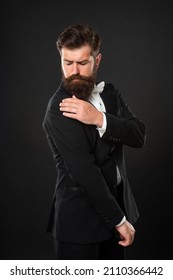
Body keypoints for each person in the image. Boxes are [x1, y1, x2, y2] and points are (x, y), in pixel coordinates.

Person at [42, 23, 146, 260]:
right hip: (79, 224)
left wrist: (99, 118)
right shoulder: (58, 109)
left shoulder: (110, 93)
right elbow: (85, 172)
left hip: (117, 212)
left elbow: (138, 135)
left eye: (82, 63)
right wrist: (119, 221)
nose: (74, 71)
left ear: (96, 61)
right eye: (68, 63)